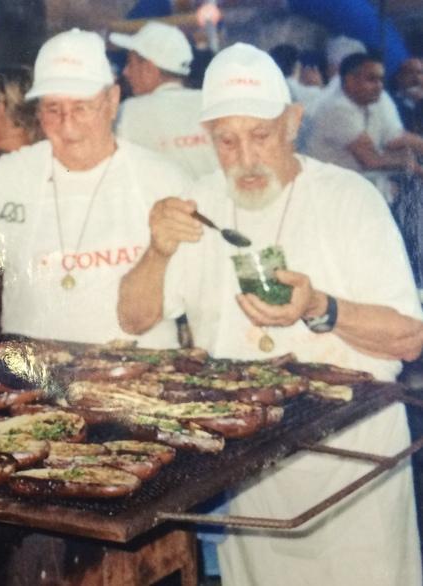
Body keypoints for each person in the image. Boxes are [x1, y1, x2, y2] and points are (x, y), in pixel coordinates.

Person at [117, 43, 423, 586]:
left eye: (260, 135)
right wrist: (157, 251)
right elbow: (135, 317)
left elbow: (409, 338)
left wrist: (319, 307)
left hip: (353, 462)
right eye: (226, 141)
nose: (245, 158)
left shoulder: (349, 199)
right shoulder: (199, 203)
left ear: (292, 122)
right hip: (254, 470)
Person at [0, 28, 190, 347]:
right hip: (37, 385)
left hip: (136, 379)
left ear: (112, 101)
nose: (68, 126)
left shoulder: (163, 180)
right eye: (53, 109)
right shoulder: (8, 177)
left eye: (82, 108)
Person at [307, 52, 423, 198]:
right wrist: (410, 164)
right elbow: (371, 160)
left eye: (381, 80)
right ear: (350, 81)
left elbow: (394, 137)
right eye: (371, 79)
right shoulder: (337, 109)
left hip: (358, 188)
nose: (379, 86)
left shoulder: (371, 103)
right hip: (332, 193)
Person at [111, 21, 218, 179]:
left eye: (130, 63)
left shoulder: (128, 113)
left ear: (149, 68)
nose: (126, 72)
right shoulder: (212, 104)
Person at [392, 56, 423, 134]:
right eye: (410, 72)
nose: (416, 77)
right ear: (399, 77)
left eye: (419, 72)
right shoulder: (391, 103)